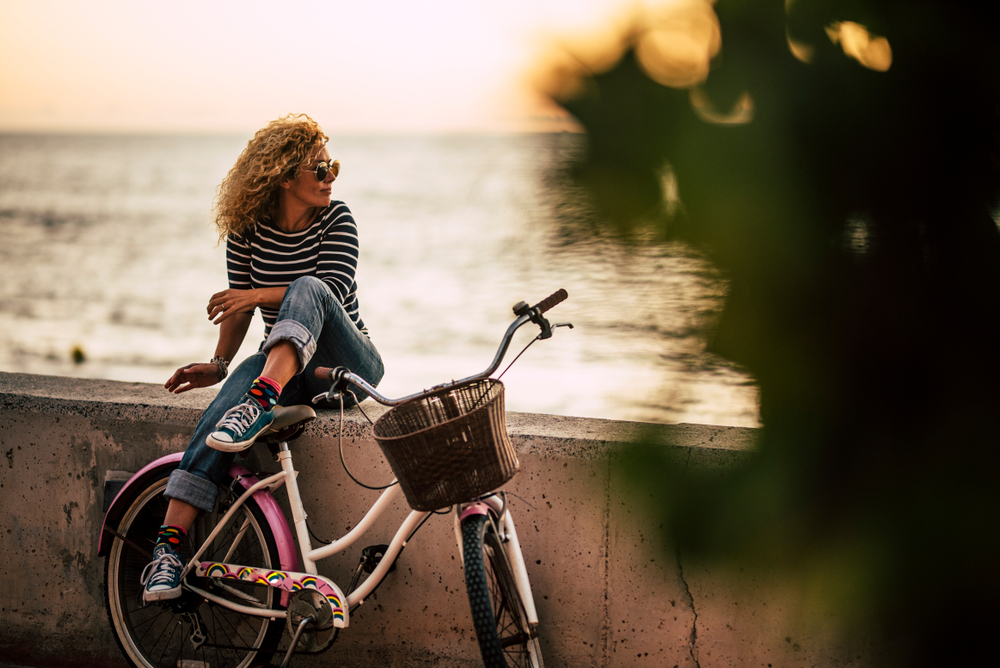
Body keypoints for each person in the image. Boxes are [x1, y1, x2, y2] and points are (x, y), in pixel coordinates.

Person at [140, 114, 385, 602]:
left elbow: (328, 293)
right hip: (287, 366)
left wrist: (252, 296)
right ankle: (166, 552)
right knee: (221, 415)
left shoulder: (338, 219)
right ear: (284, 175)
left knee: (309, 288)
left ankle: (258, 400)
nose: (331, 176)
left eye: (332, 165)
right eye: (320, 168)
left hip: (345, 367)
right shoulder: (248, 229)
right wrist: (219, 363)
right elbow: (237, 306)